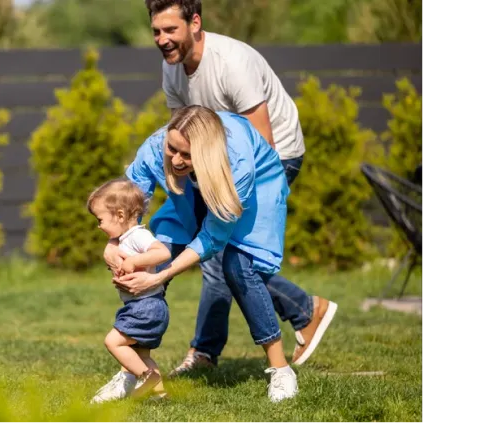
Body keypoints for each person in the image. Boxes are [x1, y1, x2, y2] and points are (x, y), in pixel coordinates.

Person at [137, 0, 337, 376]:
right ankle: (304, 311)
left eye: (170, 30)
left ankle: (205, 352)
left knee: (223, 252)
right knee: (222, 252)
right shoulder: (173, 70)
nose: (162, 40)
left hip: (272, 159)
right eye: (156, 32)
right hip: (221, 165)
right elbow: (182, 136)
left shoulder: (232, 63)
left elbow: (263, 142)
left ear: (195, 22)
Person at [111, 105, 305, 402]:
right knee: (155, 253)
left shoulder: (237, 161)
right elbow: (125, 204)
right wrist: (114, 246)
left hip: (253, 191)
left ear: (205, 152)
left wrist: (162, 276)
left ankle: (280, 369)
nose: (175, 159)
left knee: (238, 264)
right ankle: (137, 370)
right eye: (172, 148)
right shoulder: (155, 149)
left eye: (185, 155)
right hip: (189, 190)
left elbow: (213, 236)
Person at [86, 177, 172, 404]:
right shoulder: (124, 239)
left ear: (121, 216)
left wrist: (134, 262)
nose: (99, 226)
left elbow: (162, 253)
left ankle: (146, 376)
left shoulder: (138, 236)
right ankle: (159, 395)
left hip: (146, 307)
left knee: (113, 342)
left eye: (100, 219)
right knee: (142, 354)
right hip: (144, 306)